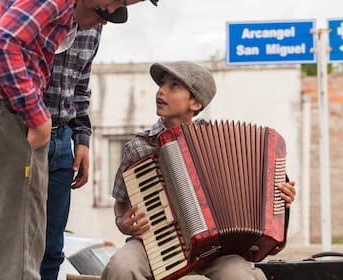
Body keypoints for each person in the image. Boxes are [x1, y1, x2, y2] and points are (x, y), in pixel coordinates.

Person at [0, 1, 155, 279]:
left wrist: (79, 135)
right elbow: (1, 43)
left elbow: (77, 82)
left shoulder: (75, 19)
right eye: (118, 2)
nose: (111, 11)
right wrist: (37, 116)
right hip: (2, 112)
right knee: (14, 256)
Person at [101, 61, 297, 280]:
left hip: (217, 250)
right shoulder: (139, 146)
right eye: (162, 84)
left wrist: (281, 198)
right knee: (121, 266)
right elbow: (120, 200)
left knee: (240, 276)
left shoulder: (221, 142)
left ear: (195, 103)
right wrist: (122, 222)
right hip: (155, 244)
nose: (161, 91)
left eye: (174, 86)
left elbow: (257, 189)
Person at [39, 1, 160, 277]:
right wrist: (36, 123)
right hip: (28, 135)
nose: (104, 22)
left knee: (52, 248)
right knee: (19, 241)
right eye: (102, 14)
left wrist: (82, 140)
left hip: (63, 138)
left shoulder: (93, 29)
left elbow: (81, 86)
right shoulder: (46, 14)